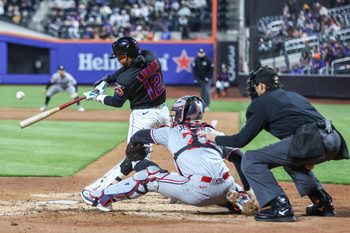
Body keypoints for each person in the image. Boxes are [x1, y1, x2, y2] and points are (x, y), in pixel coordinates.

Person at [203, 66, 349, 222]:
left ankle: (280, 207)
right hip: (334, 139)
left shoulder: (261, 103)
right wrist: (310, 154)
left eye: (254, 86)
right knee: (292, 162)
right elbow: (313, 121)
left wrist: (215, 138)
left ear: (261, 86)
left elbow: (240, 141)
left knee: (251, 159)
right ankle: (323, 203)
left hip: (312, 139)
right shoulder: (293, 96)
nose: (253, 90)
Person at [89, 95, 257, 214]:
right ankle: (240, 197)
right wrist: (249, 188)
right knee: (224, 182)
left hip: (198, 192)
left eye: (176, 112)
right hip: (226, 184)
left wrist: (134, 145)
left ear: (182, 114)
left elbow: (139, 135)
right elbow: (239, 156)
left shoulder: (171, 132)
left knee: (149, 176)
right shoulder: (213, 132)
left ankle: (103, 197)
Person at [80, 36, 170, 205]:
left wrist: (97, 97)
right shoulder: (151, 56)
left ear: (127, 55)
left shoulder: (126, 81)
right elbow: (131, 67)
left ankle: (98, 193)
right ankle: (180, 187)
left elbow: (116, 102)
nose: (119, 60)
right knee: (180, 148)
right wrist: (108, 79)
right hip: (164, 113)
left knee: (134, 158)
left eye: (120, 56)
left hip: (143, 117)